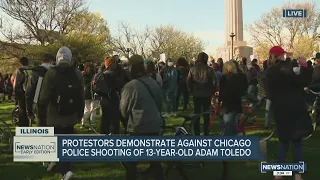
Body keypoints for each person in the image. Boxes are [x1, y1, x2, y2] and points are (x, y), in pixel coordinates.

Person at [266, 46, 312, 180]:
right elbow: (304, 81)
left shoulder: (270, 71)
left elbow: (270, 92)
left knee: (283, 141)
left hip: (280, 109)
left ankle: (280, 173)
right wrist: (303, 66)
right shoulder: (291, 68)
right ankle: (297, 174)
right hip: (295, 107)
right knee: (296, 142)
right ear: (281, 56)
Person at [39, 46, 85, 180]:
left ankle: (65, 171)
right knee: (68, 141)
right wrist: (80, 113)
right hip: (71, 113)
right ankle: (62, 166)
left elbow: (44, 96)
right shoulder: (77, 73)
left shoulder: (51, 73)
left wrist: (41, 111)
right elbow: (81, 95)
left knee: (57, 140)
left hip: (54, 113)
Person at [120, 55, 164, 180]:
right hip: (155, 126)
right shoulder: (154, 83)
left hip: (137, 128)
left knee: (131, 163)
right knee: (155, 161)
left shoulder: (130, 86)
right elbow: (160, 104)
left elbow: (124, 110)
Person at [187, 52, 218, 135]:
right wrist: (213, 90)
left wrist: (191, 90)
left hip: (196, 94)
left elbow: (188, 81)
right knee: (206, 114)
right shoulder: (209, 69)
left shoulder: (192, 69)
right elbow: (216, 81)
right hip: (207, 94)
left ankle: (196, 132)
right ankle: (206, 132)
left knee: (196, 113)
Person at [95, 56, 125, 134]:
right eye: (114, 63)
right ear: (110, 65)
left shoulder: (100, 74)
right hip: (113, 99)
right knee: (114, 121)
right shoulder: (112, 75)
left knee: (105, 119)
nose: (116, 64)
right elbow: (119, 86)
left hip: (103, 99)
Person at [25, 54, 55, 127]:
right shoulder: (55, 73)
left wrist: (29, 111)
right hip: (54, 107)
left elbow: (29, 93)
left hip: (40, 106)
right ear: (51, 62)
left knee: (41, 131)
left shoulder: (35, 73)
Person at [80, 62, 98, 129]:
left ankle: (92, 124)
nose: (89, 69)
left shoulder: (95, 75)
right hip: (87, 94)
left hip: (94, 94)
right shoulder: (83, 75)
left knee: (93, 109)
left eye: (90, 68)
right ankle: (83, 123)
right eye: (87, 68)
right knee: (87, 110)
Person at [13, 57, 30, 127]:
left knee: (22, 109)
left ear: (20, 63)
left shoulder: (20, 70)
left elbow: (17, 83)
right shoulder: (31, 70)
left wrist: (14, 93)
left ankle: (23, 125)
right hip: (30, 92)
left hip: (21, 92)